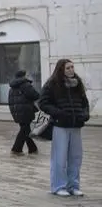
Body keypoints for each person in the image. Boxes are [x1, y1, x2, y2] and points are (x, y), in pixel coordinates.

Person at [39, 59, 90, 197]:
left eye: (72, 67)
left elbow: (85, 103)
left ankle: (73, 185)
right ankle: (58, 186)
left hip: (76, 125)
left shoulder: (77, 84)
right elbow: (43, 102)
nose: (71, 70)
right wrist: (58, 113)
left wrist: (84, 114)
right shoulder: (52, 84)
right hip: (60, 125)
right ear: (61, 69)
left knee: (76, 157)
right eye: (68, 68)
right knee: (59, 157)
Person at [8, 70, 41, 154]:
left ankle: (32, 148)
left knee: (25, 129)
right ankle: (16, 149)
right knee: (24, 130)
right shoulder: (25, 85)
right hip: (25, 111)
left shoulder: (12, 87)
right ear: (24, 76)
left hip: (17, 112)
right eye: (27, 75)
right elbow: (35, 95)